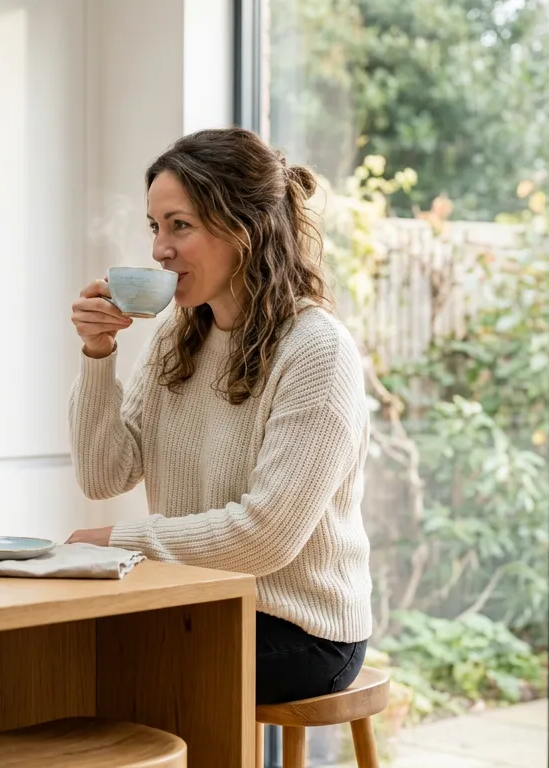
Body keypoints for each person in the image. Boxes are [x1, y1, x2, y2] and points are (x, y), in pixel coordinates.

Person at [65, 126, 372, 705]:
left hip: (302, 629)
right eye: (155, 228)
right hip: (198, 598)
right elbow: (104, 475)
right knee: (51, 645)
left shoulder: (316, 350)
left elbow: (266, 538)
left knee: (90, 665)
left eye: (180, 225)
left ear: (245, 228)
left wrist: (119, 541)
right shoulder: (178, 338)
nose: (160, 249)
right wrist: (98, 355)